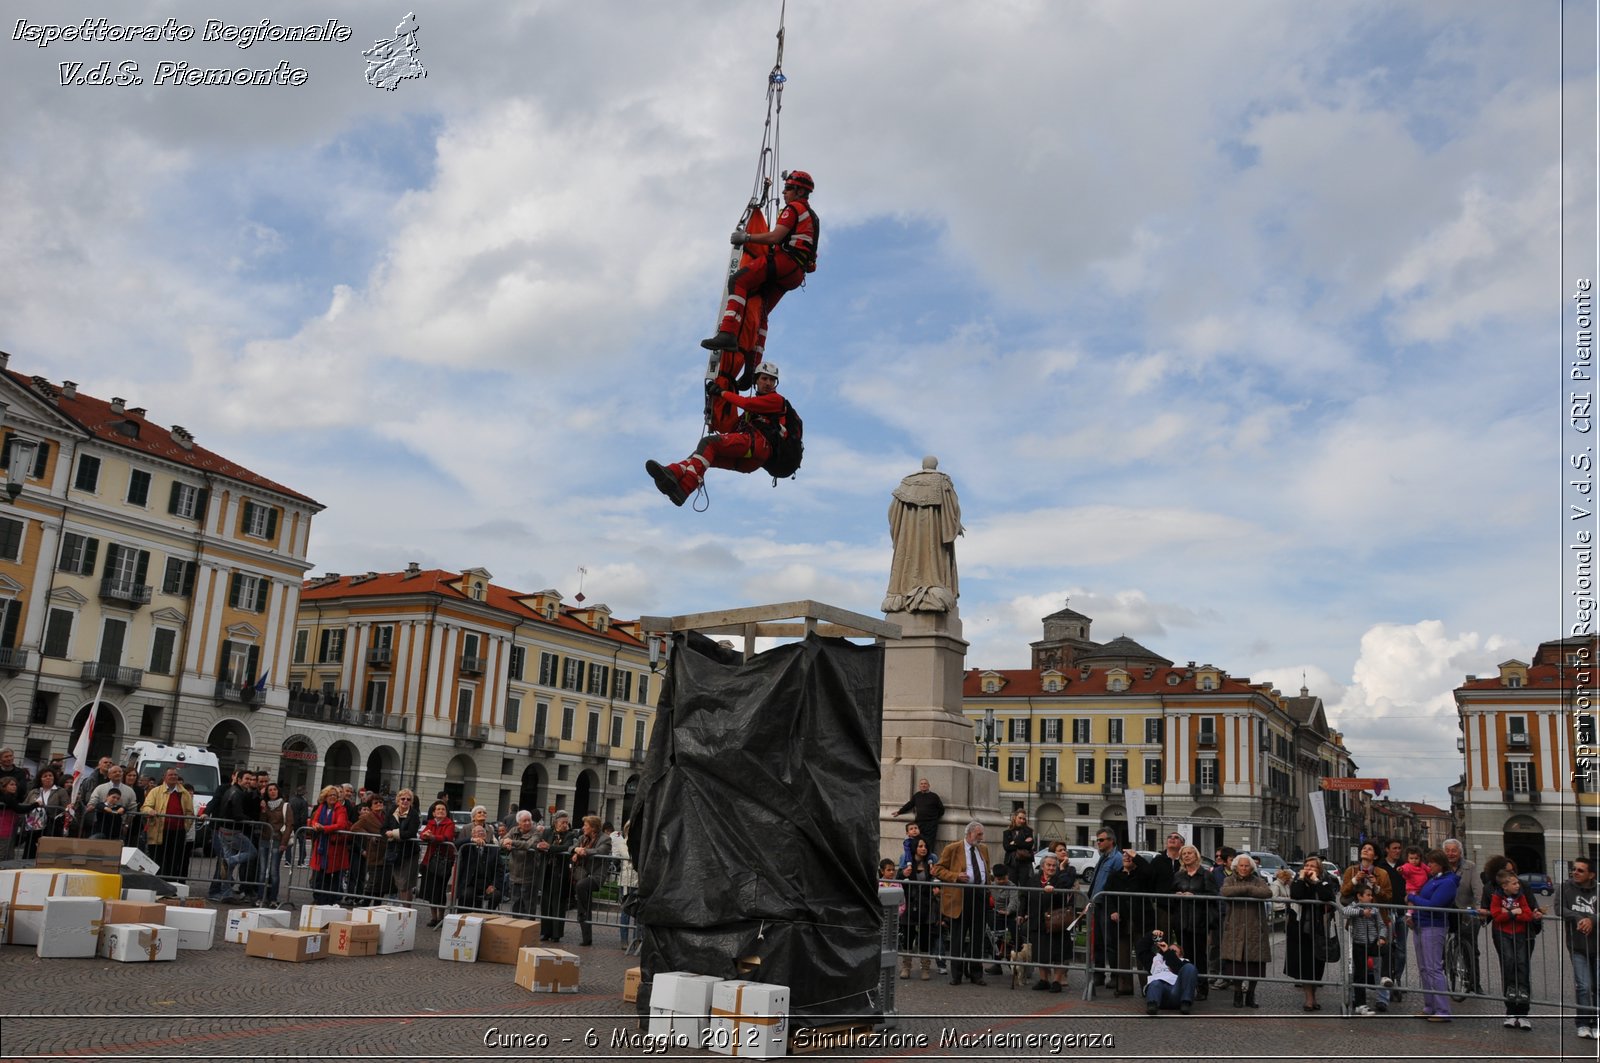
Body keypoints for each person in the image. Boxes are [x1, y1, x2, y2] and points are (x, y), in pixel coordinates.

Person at [700, 169, 819, 352]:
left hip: (785, 262)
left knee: (739, 280)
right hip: (795, 274)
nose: (783, 192)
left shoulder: (794, 208)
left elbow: (775, 237)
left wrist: (746, 237)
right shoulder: (812, 217)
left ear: (800, 191)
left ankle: (728, 333)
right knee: (761, 313)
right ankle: (751, 366)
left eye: (788, 188)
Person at [646, 362, 792, 506]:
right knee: (704, 453)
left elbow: (745, 403)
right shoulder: (754, 409)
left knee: (708, 443)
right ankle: (673, 474)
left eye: (772, 379)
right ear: (757, 380)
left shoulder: (776, 400)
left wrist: (721, 392)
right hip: (749, 460)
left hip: (758, 447)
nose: (768, 383)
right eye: (764, 378)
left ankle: (684, 487)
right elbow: (735, 427)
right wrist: (713, 411)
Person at [881, 457, 963, 614]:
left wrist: (902, 530)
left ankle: (903, 592)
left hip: (909, 534)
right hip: (934, 534)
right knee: (933, 556)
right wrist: (955, 524)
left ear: (923, 465)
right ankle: (931, 589)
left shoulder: (906, 484)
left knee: (908, 557)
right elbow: (952, 510)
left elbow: (893, 512)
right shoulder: (942, 481)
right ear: (935, 465)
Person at [933, 820, 993, 986]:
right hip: (961, 896)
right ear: (969, 834)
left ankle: (976, 973)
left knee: (977, 936)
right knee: (959, 936)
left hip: (980, 895)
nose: (981, 838)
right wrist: (955, 876)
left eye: (982, 834)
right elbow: (937, 869)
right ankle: (957, 974)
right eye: (978, 834)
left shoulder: (984, 849)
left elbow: (985, 870)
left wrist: (989, 883)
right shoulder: (953, 848)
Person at [1406, 848, 1461, 1022]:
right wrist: (1413, 915)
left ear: (1440, 864)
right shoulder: (1433, 879)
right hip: (1421, 924)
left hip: (1434, 926)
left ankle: (1443, 1010)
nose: (1428, 865)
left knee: (1434, 968)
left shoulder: (1448, 882)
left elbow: (1434, 904)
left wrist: (1412, 898)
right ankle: (1429, 1005)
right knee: (1424, 968)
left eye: (1432, 863)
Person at [1488, 866, 1541, 1029]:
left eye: (1518, 883)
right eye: (1514, 883)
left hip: (1520, 936)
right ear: (1504, 886)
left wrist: (1510, 912)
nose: (1518, 886)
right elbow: (1496, 915)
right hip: (1503, 934)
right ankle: (1510, 1011)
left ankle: (1524, 1013)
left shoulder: (1522, 897)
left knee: (1522, 967)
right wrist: (1513, 913)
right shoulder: (1497, 897)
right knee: (1509, 966)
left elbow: (1527, 915)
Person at [1218, 853, 1271, 1009]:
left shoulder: (1258, 880)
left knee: (1255, 964)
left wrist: (1244, 889)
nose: (1243, 868)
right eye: (1241, 865)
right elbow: (1226, 891)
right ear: (1236, 866)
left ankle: (1251, 994)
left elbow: (1267, 893)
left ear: (1251, 867)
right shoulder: (1229, 879)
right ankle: (1237, 994)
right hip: (1235, 926)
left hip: (1255, 927)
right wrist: (1249, 890)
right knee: (1236, 964)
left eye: (1246, 865)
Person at [1286, 855, 1337, 1011]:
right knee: (1306, 965)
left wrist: (1316, 881)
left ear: (1319, 869)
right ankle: (1309, 998)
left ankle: (1313, 996)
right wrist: (1301, 879)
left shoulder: (1325, 881)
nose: (1309, 868)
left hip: (1319, 930)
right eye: (1307, 865)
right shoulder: (1298, 881)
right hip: (1301, 930)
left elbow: (1328, 896)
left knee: (1317, 966)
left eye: (1313, 866)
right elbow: (1296, 894)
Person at [1169, 844, 1218, 1001]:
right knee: (1185, 954)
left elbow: (1213, 895)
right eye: (1184, 854)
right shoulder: (1179, 875)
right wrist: (1175, 895)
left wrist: (1195, 895)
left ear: (1196, 856)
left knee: (1199, 955)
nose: (1187, 856)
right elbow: (1169, 893)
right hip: (1181, 919)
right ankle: (1187, 984)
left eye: (1190, 853)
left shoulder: (1205, 875)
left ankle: (1202, 986)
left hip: (1199, 920)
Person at [1024, 851, 1076, 993]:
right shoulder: (1034, 879)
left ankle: (1057, 981)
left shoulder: (1060, 879)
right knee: (1040, 952)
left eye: (1054, 865)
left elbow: (1066, 888)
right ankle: (1043, 979)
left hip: (1056, 922)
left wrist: (1056, 887)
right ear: (1042, 866)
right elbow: (1025, 895)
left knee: (1057, 953)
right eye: (1048, 865)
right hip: (1038, 920)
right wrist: (1022, 914)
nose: (1051, 868)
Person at [1560, 856, 1599, 1039]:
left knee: (1597, 986)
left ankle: (1597, 1022)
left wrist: (1591, 920)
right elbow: (1560, 908)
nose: (1575, 872)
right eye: (1574, 869)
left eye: (1580, 870)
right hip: (1577, 946)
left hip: (1597, 944)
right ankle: (1583, 1022)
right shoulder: (1566, 887)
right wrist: (1578, 918)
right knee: (1583, 986)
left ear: (1591, 874)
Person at [1341, 881, 1390, 1015]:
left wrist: (1382, 937)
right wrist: (1362, 912)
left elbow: (1382, 925)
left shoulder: (1375, 908)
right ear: (1359, 896)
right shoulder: (1354, 906)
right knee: (1360, 974)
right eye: (1368, 895)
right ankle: (1360, 1004)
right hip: (1359, 943)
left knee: (1388, 950)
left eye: (1371, 895)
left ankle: (1385, 976)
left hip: (1373, 941)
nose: (1370, 897)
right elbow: (1344, 911)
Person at [1441, 838, 1482, 995]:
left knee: (1471, 948)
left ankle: (1474, 983)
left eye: (1454, 850)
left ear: (1460, 852)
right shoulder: (1441, 867)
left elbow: (1477, 888)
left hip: (1465, 911)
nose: (1450, 853)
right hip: (1446, 911)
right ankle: (1443, 978)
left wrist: (1479, 908)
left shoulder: (1469, 867)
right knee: (1441, 947)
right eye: (1447, 850)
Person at [898, 837, 941, 980]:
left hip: (927, 904)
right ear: (914, 848)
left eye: (925, 846)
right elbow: (899, 880)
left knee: (925, 936)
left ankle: (925, 968)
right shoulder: (908, 864)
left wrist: (937, 888)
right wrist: (902, 874)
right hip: (910, 904)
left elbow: (937, 882)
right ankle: (906, 967)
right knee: (908, 936)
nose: (923, 849)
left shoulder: (931, 864)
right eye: (920, 846)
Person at [1085, 828, 1122, 987]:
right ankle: (1099, 974)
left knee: (1110, 943)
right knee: (1098, 942)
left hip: (1108, 905)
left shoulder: (1117, 858)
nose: (1098, 843)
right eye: (1097, 840)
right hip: (1097, 904)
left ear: (1111, 841)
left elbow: (1118, 885)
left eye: (1101, 840)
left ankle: (1115, 976)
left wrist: (1115, 908)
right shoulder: (1103, 858)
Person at [1378, 838, 1411, 1006]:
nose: (1397, 851)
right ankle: (1387, 978)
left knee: (1402, 950)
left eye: (1399, 848)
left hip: (1401, 912)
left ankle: (1397, 977)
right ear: (1387, 850)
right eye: (1394, 848)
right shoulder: (1380, 867)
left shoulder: (1405, 867)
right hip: (1386, 914)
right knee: (1387, 949)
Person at [570, 814, 612, 946]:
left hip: (596, 876)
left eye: (586, 826)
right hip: (583, 874)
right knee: (584, 904)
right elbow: (571, 847)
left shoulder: (605, 839)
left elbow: (601, 851)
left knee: (581, 887)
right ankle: (586, 937)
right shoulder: (583, 838)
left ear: (593, 827)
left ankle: (582, 912)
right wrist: (576, 850)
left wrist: (584, 852)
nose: (583, 828)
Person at [1136, 929, 1198, 1015]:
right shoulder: (1155, 960)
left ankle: (1186, 1003)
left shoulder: (1183, 962)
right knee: (1155, 983)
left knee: (1190, 968)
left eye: (1174, 951)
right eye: (1169, 949)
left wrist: (1168, 952)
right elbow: (1141, 949)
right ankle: (1152, 1005)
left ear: (1181, 955)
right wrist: (1151, 935)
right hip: (1160, 993)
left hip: (1176, 992)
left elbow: (1177, 968)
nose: (1169, 951)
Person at [307, 784, 351, 905]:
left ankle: (331, 899)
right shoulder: (321, 807)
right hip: (321, 846)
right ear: (325, 797)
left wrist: (324, 828)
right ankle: (319, 898)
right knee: (320, 874)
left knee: (333, 875)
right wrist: (315, 825)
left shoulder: (340, 809)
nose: (332, 797)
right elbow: (314, 820)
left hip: (334, 847)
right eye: (330, 795)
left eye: (335, 795)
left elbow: (340, 825)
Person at [536, 811, 576, 942]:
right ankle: (545, 932)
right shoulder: (548, 832)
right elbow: (539, 842)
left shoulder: (570, 834)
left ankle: (556, 933)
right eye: (562, 822)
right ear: (555, 823)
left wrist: (550, 847)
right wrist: (541, 846)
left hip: (560, 872)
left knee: (558, 903)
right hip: (547, 871)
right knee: (546, 902)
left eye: (566, 822)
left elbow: (567, 847)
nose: (565, 825)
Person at [418, 800, 457, 928]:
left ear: (446, 812)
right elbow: (423, 835)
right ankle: (433, 917)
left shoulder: (450, 824)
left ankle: (441, 917)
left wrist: (432, 837)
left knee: (440, 890)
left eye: (443, 809)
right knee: (430, 890)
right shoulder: (430, 823)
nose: (441, 811)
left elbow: (447, 837)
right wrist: (427, 835)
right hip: (429, 860)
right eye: (438, 809)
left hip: (443, 861)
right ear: (434, 813)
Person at [346, 794, 389, 902]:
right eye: (376, 803)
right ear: (371, 806)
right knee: (373, 881)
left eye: (380, 802)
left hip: (385, 852)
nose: (379, 804)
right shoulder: (367, 817)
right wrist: (369, 836)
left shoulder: (386, 816)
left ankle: (377, 904)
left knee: (382, 882)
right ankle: (365, 903)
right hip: (374, 852)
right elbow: (354, 828)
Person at [22, 766, 70, 858]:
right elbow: (25, 805)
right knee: (30, 849)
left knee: (47, 851)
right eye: (45, 776)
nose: (48, 777)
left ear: (54, 777)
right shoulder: (34, 791)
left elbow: (66, 807)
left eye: (50, 775)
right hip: (33, 826)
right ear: (40, 779)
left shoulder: (60, 791)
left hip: (51, 825)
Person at [383, 789, 421, 902]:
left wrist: (393, 833)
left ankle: (407, 910)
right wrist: (387, 834)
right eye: (402, 799)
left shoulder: (413, 814)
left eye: (408, 799)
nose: (405, 801)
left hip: (409, 853)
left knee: (405, 884)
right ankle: (403, 909)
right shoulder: (392, 811)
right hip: (395, 851)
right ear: (398, 800)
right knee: (399, 882)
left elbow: (411, 832)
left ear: (411, 801)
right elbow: (383, 828)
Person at [503, 810, 542, 918]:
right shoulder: (514, 830)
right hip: (514, 874)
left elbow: (530, 844)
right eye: (524, 821)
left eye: (529, 820)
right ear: (518, 822)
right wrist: (506, 844)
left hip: (529, 874)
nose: (527, 823)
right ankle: (516, 928)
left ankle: (528, 929)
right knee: (515, 904)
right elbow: (503, 840)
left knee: (529, 905)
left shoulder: (536, 832)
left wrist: (512, 842)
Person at [456, 824, 501, 912]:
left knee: (496, 895)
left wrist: (494, 885)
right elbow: (456, 843)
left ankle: (486, 915)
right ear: (473, 835)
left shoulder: (493, 849)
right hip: (471, 883)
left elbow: (500, 868)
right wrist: (471, 840)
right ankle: (462, 918)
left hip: (487, 883)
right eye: (477, 833)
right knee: (466, 895)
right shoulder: (467, 846)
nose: (480, 834)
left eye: (483, 832)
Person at [895, 779, 945, 853]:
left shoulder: (934, 796)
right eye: (921, 784)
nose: (923, 785)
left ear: (928, 785)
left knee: (929, 844)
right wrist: (899, 812)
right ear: (919, 786)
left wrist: (934, 818)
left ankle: (928, 862)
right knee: (917, 842)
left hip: (931, 825)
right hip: (919, 824)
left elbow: (941, 809)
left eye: (925, 784)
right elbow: (910, 804)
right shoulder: (917, 795)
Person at [612, 820, 638, 950]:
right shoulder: (623, 842)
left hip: (639, 881)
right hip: (626, 881)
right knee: (626, 911)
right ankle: (624, 940)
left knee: (638, 912)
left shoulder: (641, 843)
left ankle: (637, 939)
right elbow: (628, 855)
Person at [1002, 809, 1036, 885]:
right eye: (1020, 818)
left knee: (1024, 886)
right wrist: (1022, 843)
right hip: (1011, 863)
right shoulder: (1007, 832)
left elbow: (1029, 846)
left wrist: (1014, 842)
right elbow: (1007, 847)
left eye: (1024, 819)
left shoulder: (1028, 831)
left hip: (1025, 862)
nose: (1022, 820)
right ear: (1015, 817)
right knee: (1012, 886)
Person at [288, 787, 310, 866]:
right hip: (300, 825)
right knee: (302, 844)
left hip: (291, 824)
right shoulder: (303, 802)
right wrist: (303, 825)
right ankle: (301, 861)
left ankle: (288, 861)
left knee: (289, 843)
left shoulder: (291, 800)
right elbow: (304, 815)